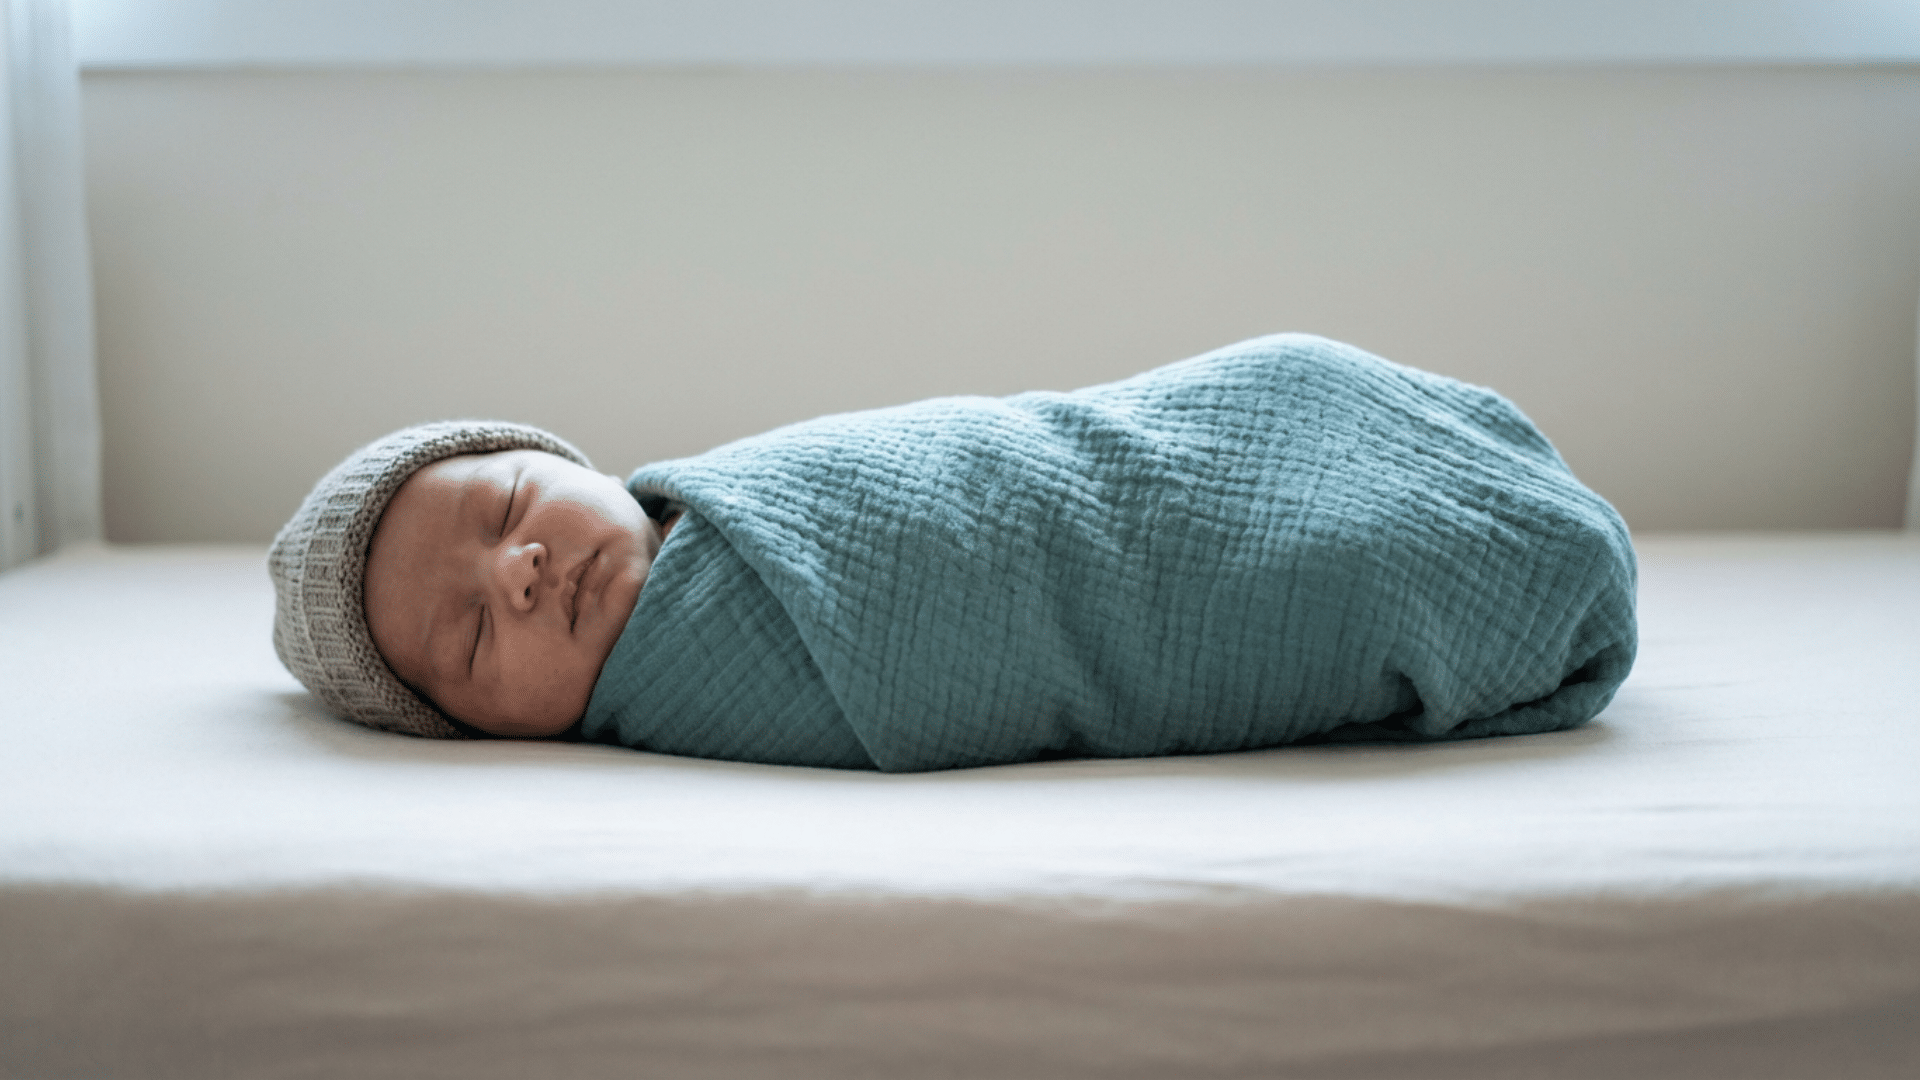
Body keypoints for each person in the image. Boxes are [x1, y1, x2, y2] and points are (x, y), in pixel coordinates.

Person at [270, 334, 1637, 771]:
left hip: (1149, 449)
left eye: (509, 503)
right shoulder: (688, 689)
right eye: (466, 640)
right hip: (1166, 584)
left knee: (1227, 404)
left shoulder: (725, 497)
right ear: (469, 729)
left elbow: (1020, 470)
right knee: (1331, 569)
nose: (514, 573)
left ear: (563, 456)